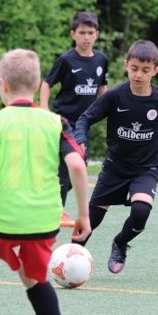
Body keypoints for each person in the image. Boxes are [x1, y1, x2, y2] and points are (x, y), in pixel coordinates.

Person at [0, 49, 91, 315]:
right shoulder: (56, 122)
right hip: (42, 222)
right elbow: (77, 166)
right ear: (37, 86)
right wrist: (83, 215)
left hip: (1, 220)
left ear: (2, 84)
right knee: (35, 279)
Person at [71, 39, 158, 274]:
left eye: (145, 70)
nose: (138, 74)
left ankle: (120, 242)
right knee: (90, 221)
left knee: (141, 210)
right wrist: (81, 138)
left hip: (146, 168)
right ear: (126, 65)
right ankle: (70, 259)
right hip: (115, 167)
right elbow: (85, 118)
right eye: (134, 68)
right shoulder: (115, 96)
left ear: (155, 70)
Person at [40, 12, 109, 221]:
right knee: (66, 165)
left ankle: (49, 197)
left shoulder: (101, 60)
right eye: (82, 32)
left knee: (80, 166)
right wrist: (44, 108)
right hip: (64, 121)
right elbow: (47, 83)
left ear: (97, 34)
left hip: (84, 123)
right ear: (73, 34)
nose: (86, 37)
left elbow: (102, 88)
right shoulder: (66, 60)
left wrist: (110, 110)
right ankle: (58, 210)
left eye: (90, 33)